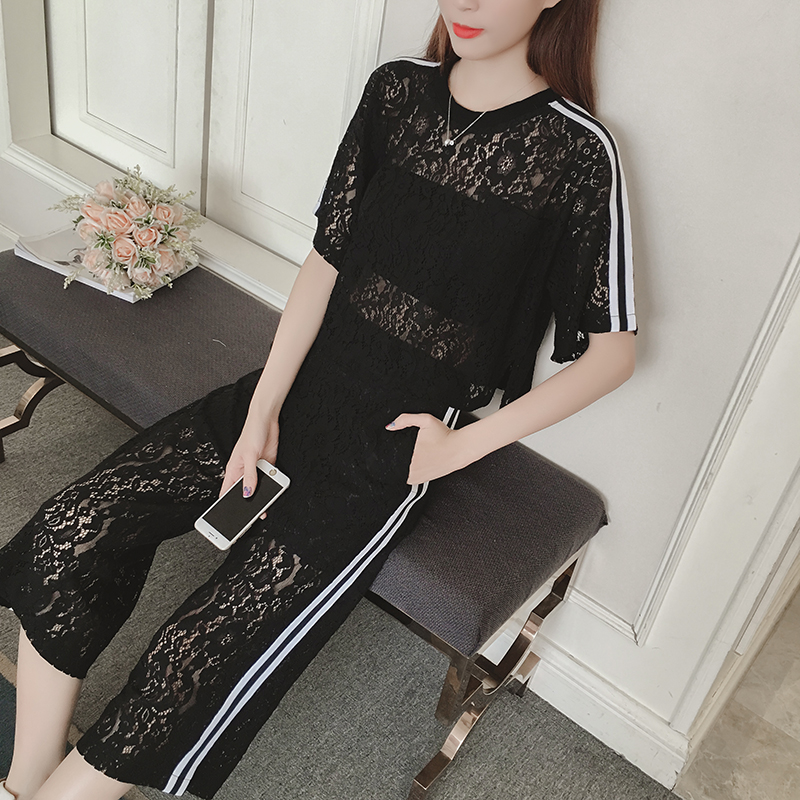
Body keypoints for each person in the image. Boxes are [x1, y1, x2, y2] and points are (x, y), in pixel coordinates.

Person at [0, 0, 637, 798]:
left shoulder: (579, 150)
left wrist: (455, 448)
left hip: (389, 449)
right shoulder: (395, 91)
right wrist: (262, 409)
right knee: (72, 528)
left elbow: (614, 354)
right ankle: (24, 779)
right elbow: (327, 260)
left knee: (191, 656)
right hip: (294, 393)